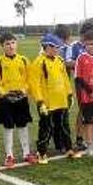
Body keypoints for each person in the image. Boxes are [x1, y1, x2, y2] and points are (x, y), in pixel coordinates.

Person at [29, 33, 75, 163]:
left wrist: (69, 94)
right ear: (46, 47)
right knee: (46, 127)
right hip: (47, 103)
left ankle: (68, 148)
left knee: (64, 125)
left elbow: (65, 79)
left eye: (58, 47)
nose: (57, 49)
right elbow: (35, 84)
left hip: (61, 100)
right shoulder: (39, 62)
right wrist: (40, 102)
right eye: (54, 47)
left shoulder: (60, 60)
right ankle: (41, 152)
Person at [0, 32, 36, 168]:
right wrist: (3, 93)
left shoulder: (23, 60)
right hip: (6, 100)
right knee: (8, 127)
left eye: (13, 43)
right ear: (2, 46)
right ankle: (9, 156)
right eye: (7, 44)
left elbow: (30, 79)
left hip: (21, 99)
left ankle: (26, 153)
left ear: (16, 44)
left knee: (23, 126)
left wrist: (24, 90)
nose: (10, 46)